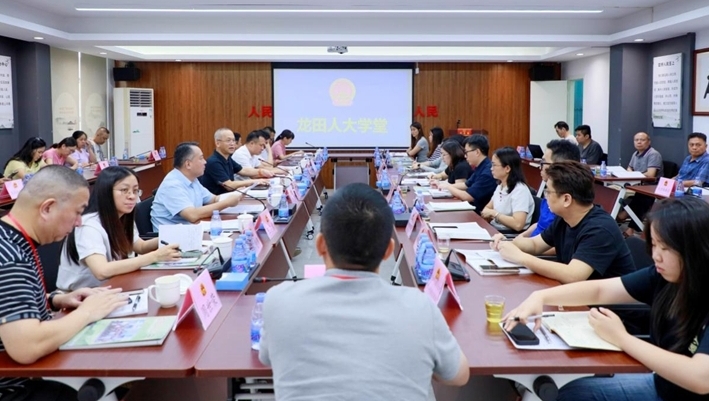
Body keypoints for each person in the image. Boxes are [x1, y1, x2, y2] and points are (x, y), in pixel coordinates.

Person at [259, 183, 469, 399]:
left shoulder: (278, 301)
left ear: (320, 245)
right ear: (389, 250)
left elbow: (266, 357)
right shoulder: (421, 308)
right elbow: (459, 376)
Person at [505, 196, 709, 401]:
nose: (656, 255)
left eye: (665, 248)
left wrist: (621, 338)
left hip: (677, 391)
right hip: (663, 384)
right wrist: (540, 296)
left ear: (695, 248)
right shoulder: (664, 276)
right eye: (654, 245)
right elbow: (600, 290)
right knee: (568, 392)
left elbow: (701, 378)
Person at [0, 165, 128, 398]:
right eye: (77, 212)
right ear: (47, 208)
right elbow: (26, 347)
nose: (79, 222)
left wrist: (56, 299)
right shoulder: (11, 259)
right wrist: (88, 312)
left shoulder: (10, 238)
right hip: (18, 386)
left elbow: (9, 303)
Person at [491, 161, 635, 283]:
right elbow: (535, 245)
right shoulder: (564, 219)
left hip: (608, 305)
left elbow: (573, 275)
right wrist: (507, 243)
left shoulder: (600, 228)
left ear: (566, 199)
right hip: (580, 294)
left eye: (548, 192)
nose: (545, 196)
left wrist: (521, 258)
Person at [57, 166, 182, 291]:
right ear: (106, 191)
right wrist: (155, 256)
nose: (132, 196)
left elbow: (140, 246)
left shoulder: (122, 216)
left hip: (111, 287)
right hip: (80, 295)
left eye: (135, 191)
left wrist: (170, 237)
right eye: (124, 190)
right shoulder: (89, 225)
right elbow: (102, 271)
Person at [151, 142, 244, 230]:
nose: (205, 162)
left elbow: (213, 199)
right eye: (201, 158)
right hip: (171, 237)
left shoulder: (192, 179)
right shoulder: (172, 185)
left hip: (191, 229)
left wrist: (237, 195)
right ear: (188, 164)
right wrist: (227, 203)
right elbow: (192, 215)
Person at [519, 139, 581, 238]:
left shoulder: (566, 203)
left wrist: (520, 245)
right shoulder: (550, 192)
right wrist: (517, 239)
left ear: (559, 166)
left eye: (544, 162)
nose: (540, 167)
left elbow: (553, 243)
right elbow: (539, 225)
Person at [617, 132, 664, 236]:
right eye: (636, 140)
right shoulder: (635, 153)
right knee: (616, 191)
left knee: (643, 197)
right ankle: (622, 215)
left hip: (652, 186)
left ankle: (630, 227)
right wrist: (631, 173)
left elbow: (651, 174)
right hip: (639, 185)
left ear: (648, 142)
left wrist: (633, 175)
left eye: (642, 140)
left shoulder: (653, 154)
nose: (639, 142)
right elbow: (629, 168)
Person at [200, 128, 272, 195]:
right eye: (228, 140)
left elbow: (242, 170)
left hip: (229, 196)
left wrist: (260, 171)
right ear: (217, 143)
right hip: (217, 200)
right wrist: (254, 182)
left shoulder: (228, 158)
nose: (232, 144)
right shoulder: (214, 162)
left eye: (233, 140)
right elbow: (229, 185)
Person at [438, 134, 497, 213]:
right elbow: (466, 185)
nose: (465, 156)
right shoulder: (480, 166)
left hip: (479, 214)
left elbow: (468, 196)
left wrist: (449, 187)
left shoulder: (487, 172)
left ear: (477, 152)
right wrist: (443, 185)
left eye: (466, 152)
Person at [480, 147, 535, 232]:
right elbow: (486, 209)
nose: (491, 168)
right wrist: (491, 213)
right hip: (495, 228)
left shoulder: (520, 190)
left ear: (507, 168)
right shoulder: (501, 186)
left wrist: (495, 214)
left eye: (494, 165)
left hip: (508, 234)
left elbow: (518, 224)